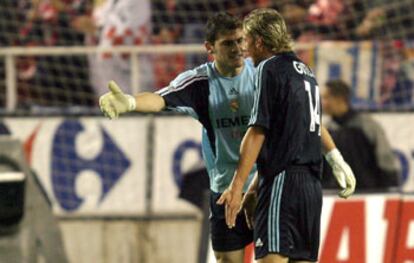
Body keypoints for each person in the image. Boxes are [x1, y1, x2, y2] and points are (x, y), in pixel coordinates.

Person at [99, 12, 354, 263]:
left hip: (265, 185)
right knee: (228, 260)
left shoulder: (263, 73)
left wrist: (334, 156)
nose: (238, 48)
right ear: (210, 47)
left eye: (241, 40)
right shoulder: (201, 82)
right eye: (228, 43)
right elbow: (160, 98)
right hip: (225, 189)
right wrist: (130, 102)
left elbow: (302, 120)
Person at [217, 9, 356, 263]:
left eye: (246, 40)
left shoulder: (268, 68)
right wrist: (336, 159)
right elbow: (291, 138)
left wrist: (237, 187)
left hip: (283, 184)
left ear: (259, 41)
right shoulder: (305, 71)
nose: (244, 48)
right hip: (311, 188)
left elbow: (258, 131)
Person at [322, 79, 400, 190]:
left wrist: (390, 188)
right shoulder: (327, 130)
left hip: (368, 196)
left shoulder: (367, 125)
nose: (323, 102)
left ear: (340, 99)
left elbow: (385, 159)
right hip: (336, 197)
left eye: (326, 98)